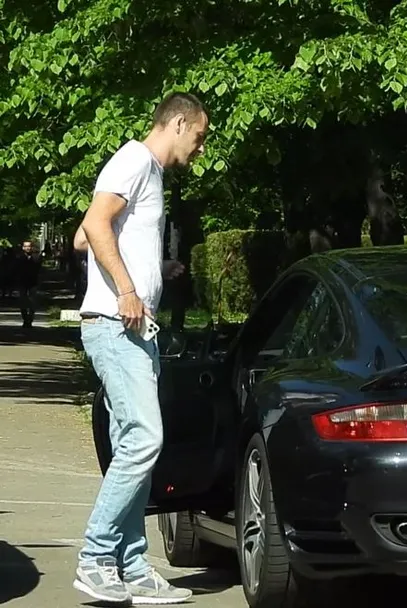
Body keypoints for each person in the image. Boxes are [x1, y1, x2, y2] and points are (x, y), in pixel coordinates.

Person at [72, 92, 207, 605]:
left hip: (133, 329)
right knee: (145, 440)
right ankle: (95, 556)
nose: (200, 148)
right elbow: (94, 224)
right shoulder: (134, 159)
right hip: (116, 324)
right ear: (178, 123)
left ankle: (130, 565)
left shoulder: (145, 172)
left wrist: (153, 269)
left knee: (135, 444)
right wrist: (127, 289)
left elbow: (84, 236)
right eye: (199, 137)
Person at [15, 240, 41, 327]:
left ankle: (30, 319)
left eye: (29, 246)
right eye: (25, 246)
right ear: (23, 248)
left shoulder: (36, 257)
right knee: (23, 301)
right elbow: (15, 270)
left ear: (31, 247)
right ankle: (25, 319)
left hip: (33, 282)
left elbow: (39, 270)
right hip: (22, 282)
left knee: (32, 302)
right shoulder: (19, 258)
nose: (27, 248)